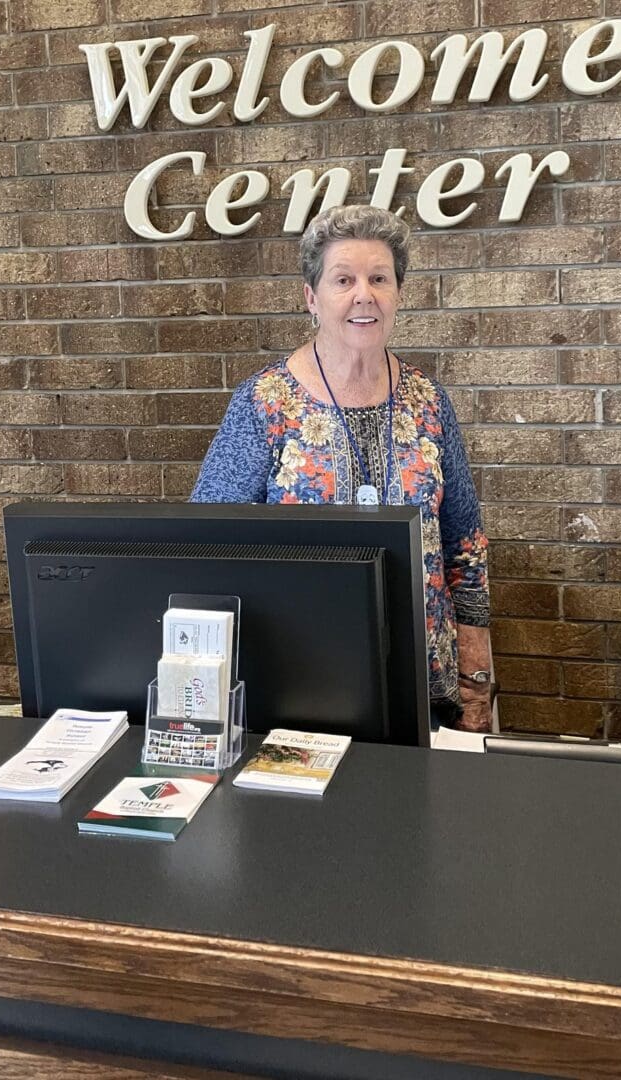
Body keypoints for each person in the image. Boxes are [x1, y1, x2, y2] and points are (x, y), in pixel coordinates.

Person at [191, 205, 492, 731]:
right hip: (296, 678)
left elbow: (463, 543)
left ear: (398, 293)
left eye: (379, 279)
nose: (364, 295)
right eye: (343, 280)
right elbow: (209, 544)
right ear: (312, 297)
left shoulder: (429, 401)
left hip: (423, 676)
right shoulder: (264, 404)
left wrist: (476, 672)